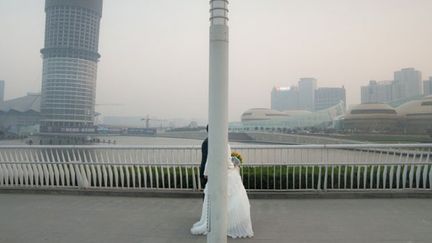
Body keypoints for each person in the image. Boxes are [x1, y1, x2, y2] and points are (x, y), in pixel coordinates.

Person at [191, 144, 254, 239]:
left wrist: (206, 173)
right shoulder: (226, 144)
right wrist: (233, 166)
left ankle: (217, 223)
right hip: (228, 174)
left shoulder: (212, 142)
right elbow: (228, 161)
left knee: (217, 201)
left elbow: (209, 159)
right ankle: (229, 224)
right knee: (233, 199)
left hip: (216, 174)